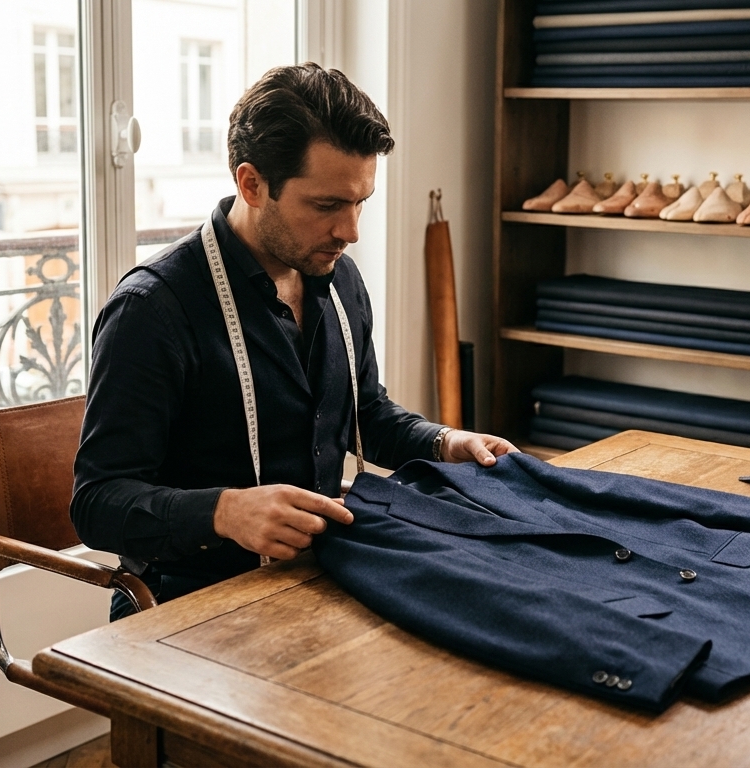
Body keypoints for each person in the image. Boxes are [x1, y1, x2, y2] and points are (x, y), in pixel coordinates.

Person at [71, 63, 517, 620]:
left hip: (316, 580)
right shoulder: (153, 309)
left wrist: (442, 441)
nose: (351, 231)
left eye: (360, 203)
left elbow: (364, 412)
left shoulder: (337, 277)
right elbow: (97, 503)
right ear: (252, 184)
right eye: (328, 205)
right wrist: (225, 512)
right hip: (184, 606)